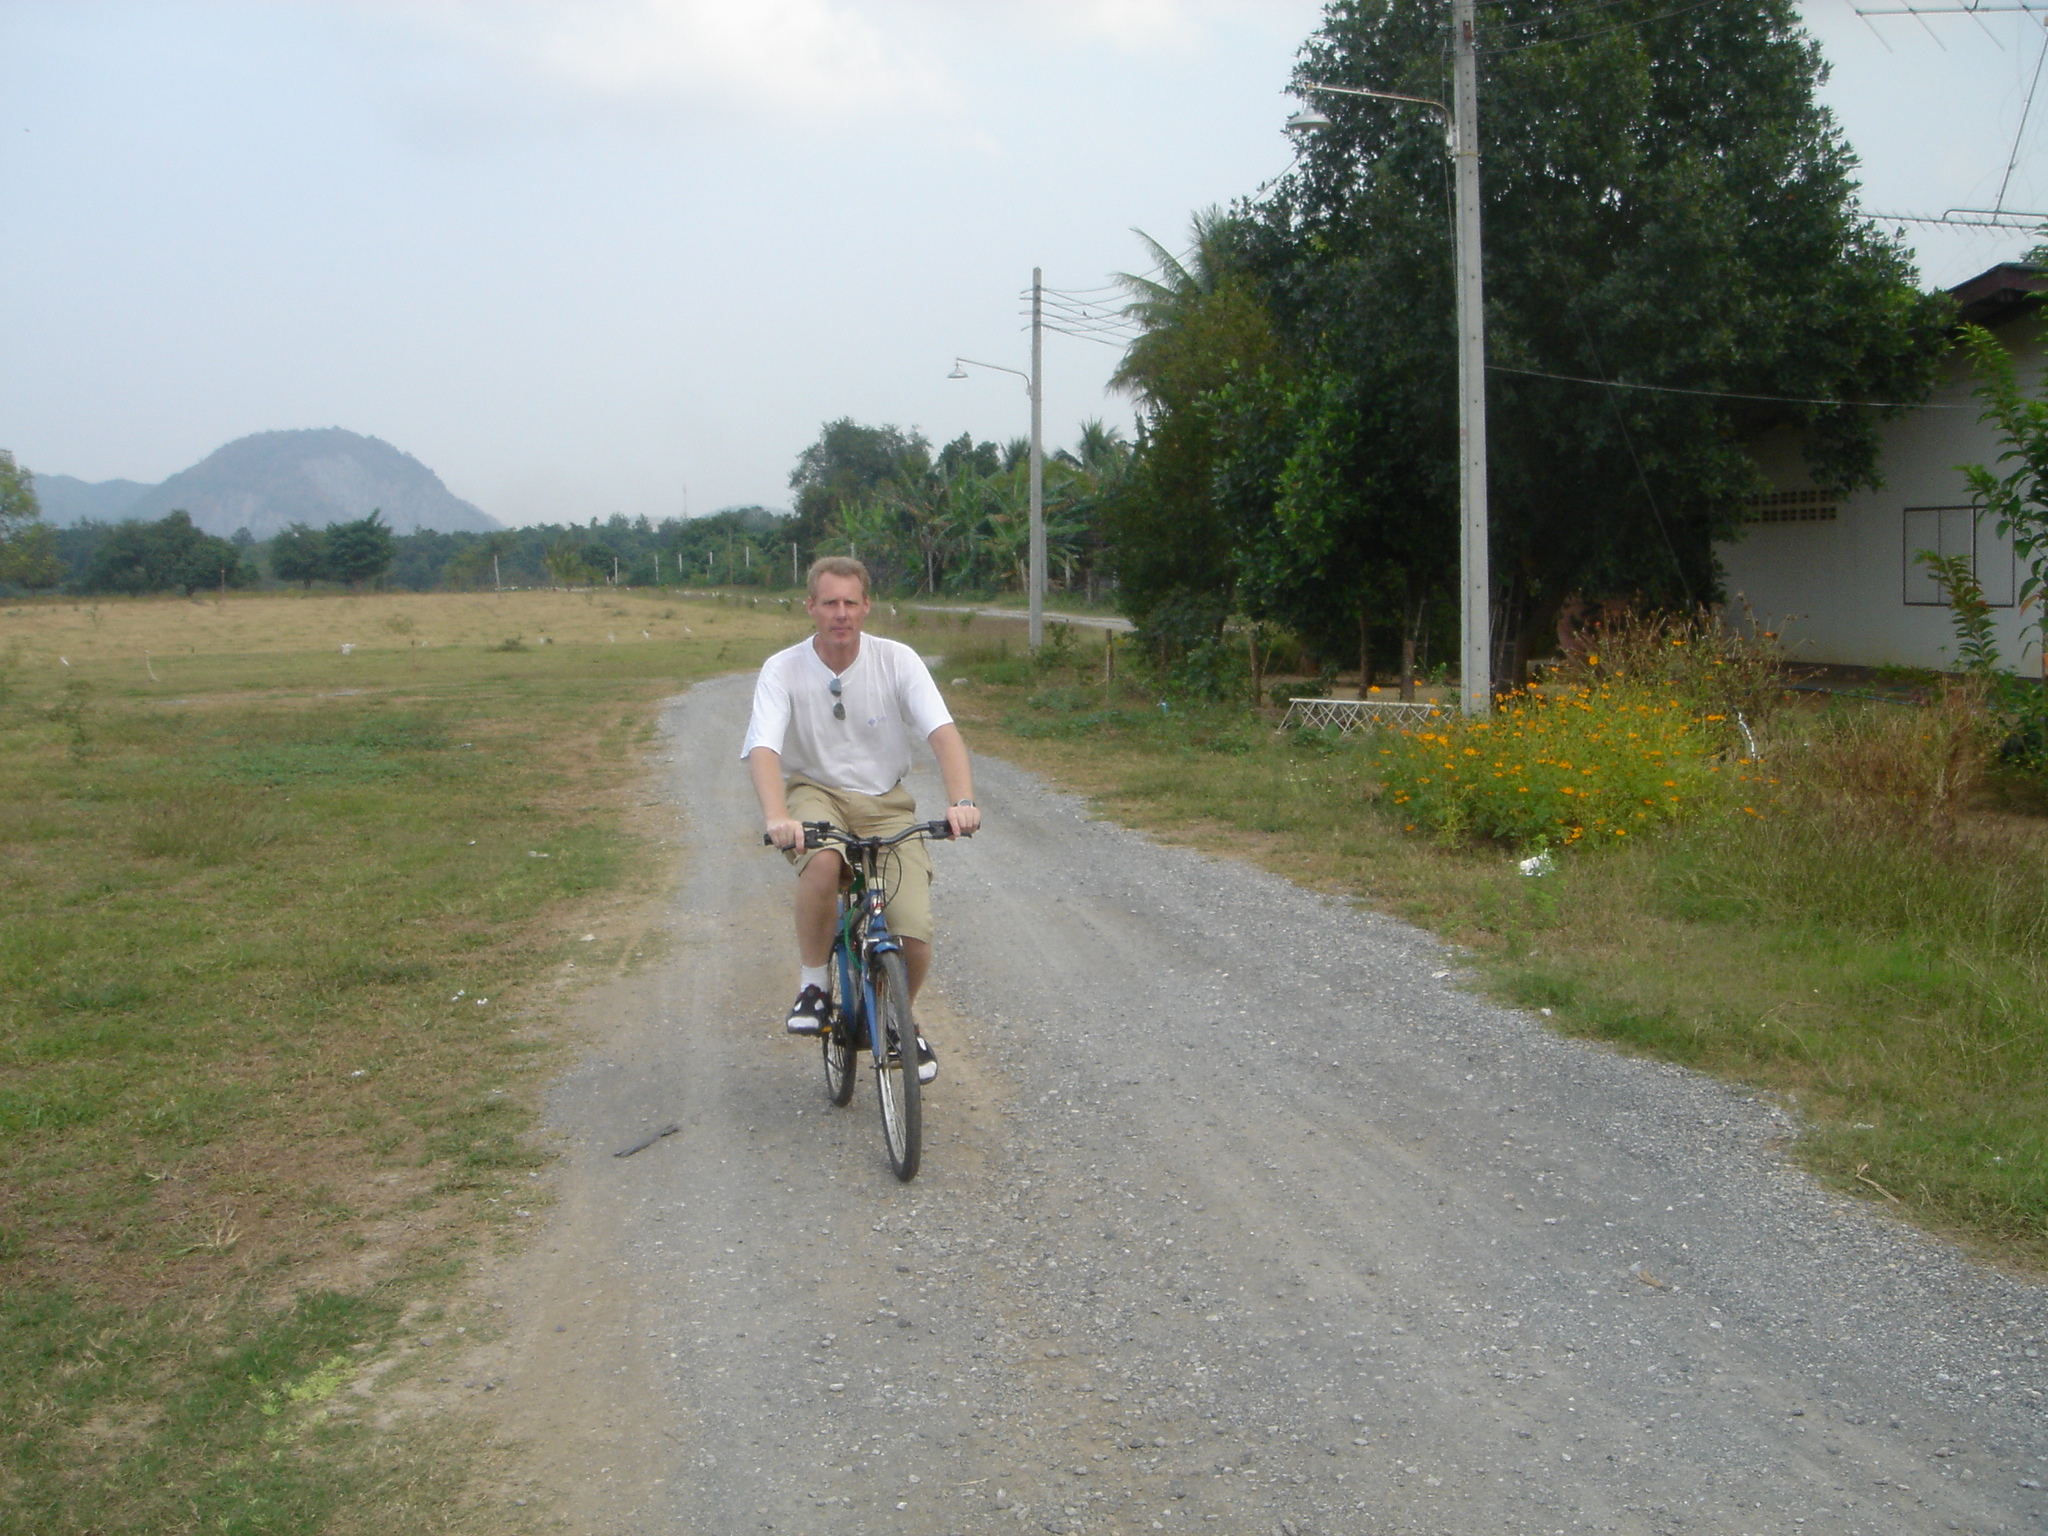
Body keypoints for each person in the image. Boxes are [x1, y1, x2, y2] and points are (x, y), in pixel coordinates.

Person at [742, 557, 981, 1082]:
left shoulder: (896, 660)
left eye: (851, 602)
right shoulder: (783, 668)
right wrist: (778, 816)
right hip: (816, 794)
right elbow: (764, 747)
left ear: (867, 606)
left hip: (885, 802)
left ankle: (897, 1020)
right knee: (824, 863)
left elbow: (942, 733)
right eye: (830, 602)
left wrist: (961, 801)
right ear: (811, 606)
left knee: (913, 934)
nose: (841, 614)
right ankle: (814, 986)